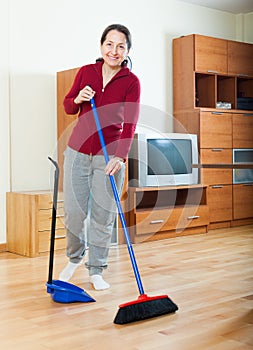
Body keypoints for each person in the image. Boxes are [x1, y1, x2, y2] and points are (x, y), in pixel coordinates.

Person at [59, 24, 141, 290]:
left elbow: (130, 123)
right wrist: (79, 97)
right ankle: (74, 258)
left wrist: (121, 157)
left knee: (103, 215)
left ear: (127, 50)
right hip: (77, 151)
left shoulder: (131, 82)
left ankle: (96, 269)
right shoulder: (86, 72)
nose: (114, 51)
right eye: (109, 44)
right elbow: (69, 106)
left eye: (120, 46)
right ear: (101, 45)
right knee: (73, 212)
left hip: (109, 157)